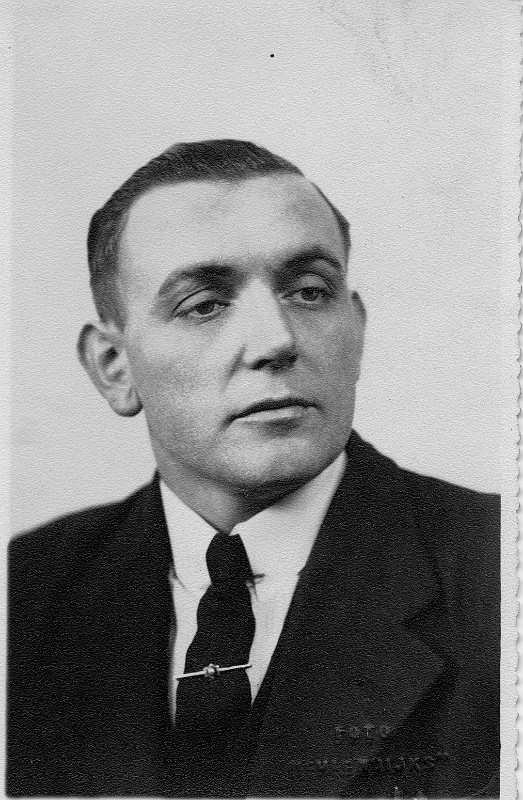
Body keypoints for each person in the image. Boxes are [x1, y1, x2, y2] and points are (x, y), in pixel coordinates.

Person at [7, 140, 500, 798]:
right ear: (113, 368)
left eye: (309, 292)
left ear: (356, 328)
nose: (276, 341)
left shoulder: (499, 569)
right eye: (204, 305)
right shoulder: (26, 592)